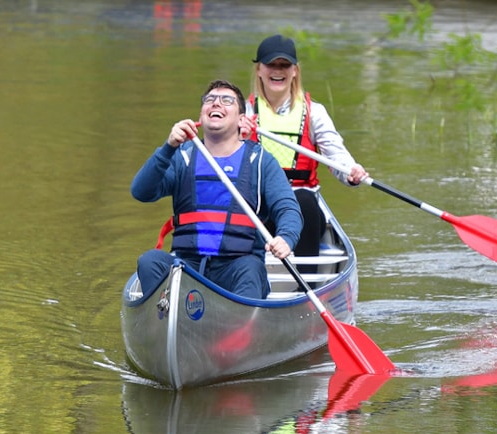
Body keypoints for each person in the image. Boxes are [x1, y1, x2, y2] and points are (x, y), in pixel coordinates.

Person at [131, 79, 303, 299]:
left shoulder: (260, 161)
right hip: (188, 264)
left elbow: (288, 209)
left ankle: (241, 327)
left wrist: (285, 238)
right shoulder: (182, 156)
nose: (216, 104)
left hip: (238, 266)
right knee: (150, 261)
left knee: (251, 270)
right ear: (201, 116)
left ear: (242, 119)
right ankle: (163, 316)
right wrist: (168, 147)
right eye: (210, 100)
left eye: (227, 101)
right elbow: (140, 192)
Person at [241, 34, 369, 262]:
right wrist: (236, 135)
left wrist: (352, 171)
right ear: (259, 69)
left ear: (295, 71)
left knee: (304, 200)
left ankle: (307, 279)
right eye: (271, 64)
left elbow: (336, 155)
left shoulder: (314, 113)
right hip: (258, 208)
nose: (278, 71)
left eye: (284, 65)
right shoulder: (244, 113)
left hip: (303, 210)